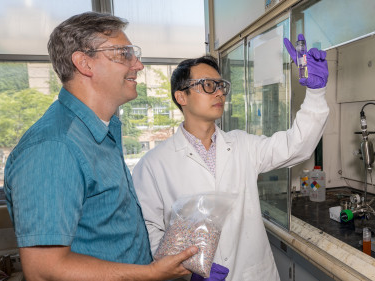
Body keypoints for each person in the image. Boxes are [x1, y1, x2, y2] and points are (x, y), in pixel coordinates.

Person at [3, 12, 197, 281]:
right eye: (124, 54)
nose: (138, 65)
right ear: (84, 63)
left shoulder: (101, 132)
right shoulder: (54, 147)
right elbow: (44, 269)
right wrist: (151, 273)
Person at [132, 34, 329, 281]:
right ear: (181, 96)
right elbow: (149, 228)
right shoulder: (153, 164)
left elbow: (296, 146)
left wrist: (316, 92)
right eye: (207, 85)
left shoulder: (242, 144)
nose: (219, 93)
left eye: (220, 85)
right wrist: (184, 268)